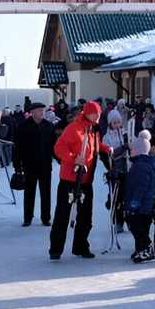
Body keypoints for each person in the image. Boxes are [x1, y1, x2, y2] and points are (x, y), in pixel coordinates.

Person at [49, 101, 112, 260]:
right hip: (70, 179)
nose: (97, 117)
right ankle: (55, 249)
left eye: (99, 114)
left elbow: (95, 146)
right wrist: (74, 158)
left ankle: (81, 246)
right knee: (63, 215)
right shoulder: (74, 128)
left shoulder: (94, 130)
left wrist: (105, 148)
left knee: (85, 217)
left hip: (86, 180)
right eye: (94, 114)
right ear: (87, 113)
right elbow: (58, 148)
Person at [13, 102, 56, 227]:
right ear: (32, 112)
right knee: (29, 192)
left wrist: (60, 160)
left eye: (43, 110)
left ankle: (46, 218)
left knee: (46, 192)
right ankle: (28, 217)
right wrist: (17, 165)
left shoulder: (49, 126)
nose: (42, 112)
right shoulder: (23, 127)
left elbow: (54, 146)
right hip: (29, 165)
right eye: (39, 110)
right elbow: (17, 148)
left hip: (45, 164)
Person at [124, 131, 155, 263]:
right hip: (141, 204)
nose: (130, 151)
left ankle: (147, 248)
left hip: (141, 205)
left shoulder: (141, 166)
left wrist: (135, 201)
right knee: (138, 226)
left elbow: (141, 186)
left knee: (137, 227)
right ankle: (140, 249)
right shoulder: (138, 164)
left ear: (139, 151)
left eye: (132, 149)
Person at [102, 109, 130, 233]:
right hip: (115, 169)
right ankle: (118, 221)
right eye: (114, 123)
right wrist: (122, 148)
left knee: (127, 196)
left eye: (119, 122)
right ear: (110, 123)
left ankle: (129, 220)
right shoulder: (107, 137)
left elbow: (132, 145)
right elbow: (109, 154)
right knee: (116, 197)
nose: (117, 125)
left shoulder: (125, 133)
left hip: (127, 168)